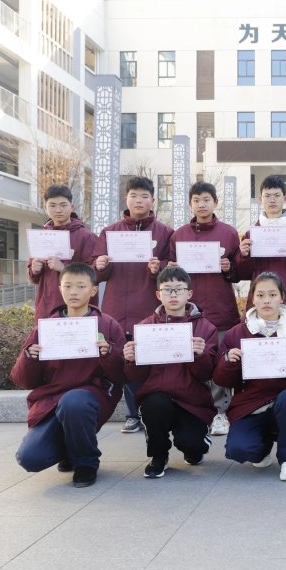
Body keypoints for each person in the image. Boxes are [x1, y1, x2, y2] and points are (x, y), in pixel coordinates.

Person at [11, 263, 125, 488]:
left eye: (81, 286)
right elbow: (22, 380)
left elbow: (123, 375)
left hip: (91, 395)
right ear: (60, 289)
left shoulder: (107, 324)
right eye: (68, 286)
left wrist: (109, 353)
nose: (74, 292)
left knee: (74, 401)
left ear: (93, 290)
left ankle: (86, 463)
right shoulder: (47, 327)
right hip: (52, 398)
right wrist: (30, 357)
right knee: (30, 458)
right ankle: (70, 450)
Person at [215, 272, 286, 482]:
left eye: (272, 295)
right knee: (239, 450)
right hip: (251, 404)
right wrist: (229, 361)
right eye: (260, 295)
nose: (266, 300)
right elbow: (222, 380)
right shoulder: (236, 334)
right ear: (252, 298)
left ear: (281, 297)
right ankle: (262, 447)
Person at [93, 176, 174, 434]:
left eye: (144, 196)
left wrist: (159, 267)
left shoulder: (165, 232)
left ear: (153, 200)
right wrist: (100, 265)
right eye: (134, 196)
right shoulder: (110, 232)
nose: (139, 201)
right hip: (116, 308)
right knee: (125, 360)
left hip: (149, 307)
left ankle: (151, 413)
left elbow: (173, 269)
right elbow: (96, 273)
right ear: (126, 199)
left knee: (150, 360)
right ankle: (132, 414)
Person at [124, 267, 219, 478]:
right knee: (154, 405)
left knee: (192, 445)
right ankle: (158, 456)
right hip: (157, 395)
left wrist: (200, 355)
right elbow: (136, 377)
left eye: (179, 289)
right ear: (158, 294)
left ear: (189, 293)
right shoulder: (146, 327)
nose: (173, 294)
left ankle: (196, 446)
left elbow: (207, 374)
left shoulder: (205, 327)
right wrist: (131, 360)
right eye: (167, 290)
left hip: (191, 400)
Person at [168, 181, 241, 438]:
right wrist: (171, 268)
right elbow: (170, 276)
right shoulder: (179, 235)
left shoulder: (229, 233)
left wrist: (229, 268)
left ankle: (221, 412)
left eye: (206, 199)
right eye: (196, 200)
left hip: (221, 307)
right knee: (193, 361)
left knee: (221, 363)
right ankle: (196, 411)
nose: (201, 204)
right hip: (188, 312)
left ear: (215, 203)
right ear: (190, 204)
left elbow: (239, 272)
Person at [235, 175, 286, 326]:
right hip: (260, 300)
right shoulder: (251, 235)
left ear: (285, 198)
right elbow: (242, 274)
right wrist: (243, 256)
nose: (272, 200)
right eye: (267, 196)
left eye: (277, 195)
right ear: (260, 199)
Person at [28, 184, 97, 321]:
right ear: (45, 207)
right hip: (46, 306)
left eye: (63, 205)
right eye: (52, 205)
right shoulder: (41, 236)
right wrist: (34, 270)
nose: (58, 210)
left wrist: (64, 268)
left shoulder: (86, 236)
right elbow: (34, 278)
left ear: (72, 207)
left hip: (78, 308)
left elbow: (94, 273)